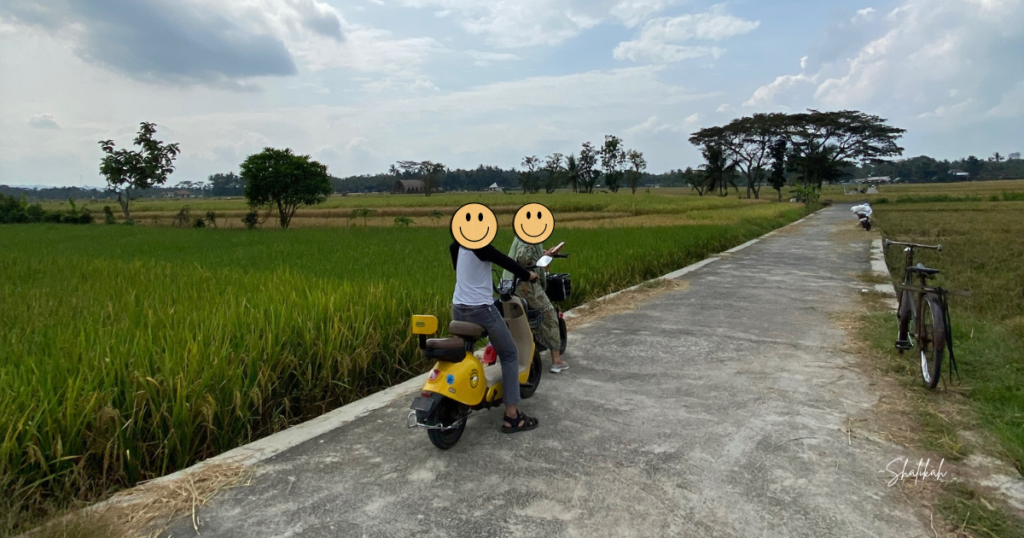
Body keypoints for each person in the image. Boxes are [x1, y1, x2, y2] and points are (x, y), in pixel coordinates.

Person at [449, 240, 540, 434]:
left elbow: (460, 264)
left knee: (466, 353)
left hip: (457, 308)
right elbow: (506, 262)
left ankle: (468, 392)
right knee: (509, 353)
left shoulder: (456, 246)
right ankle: (512, 416)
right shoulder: (481, 247)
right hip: (481, 309)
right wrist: (529, 275)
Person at [503, 236, 569, 373]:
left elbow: (526, 256)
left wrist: (546, 254)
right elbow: (522, 257)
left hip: (509, 283)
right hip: (525, 284)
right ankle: (556, 361)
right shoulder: (529, 234)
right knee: (550, 314)